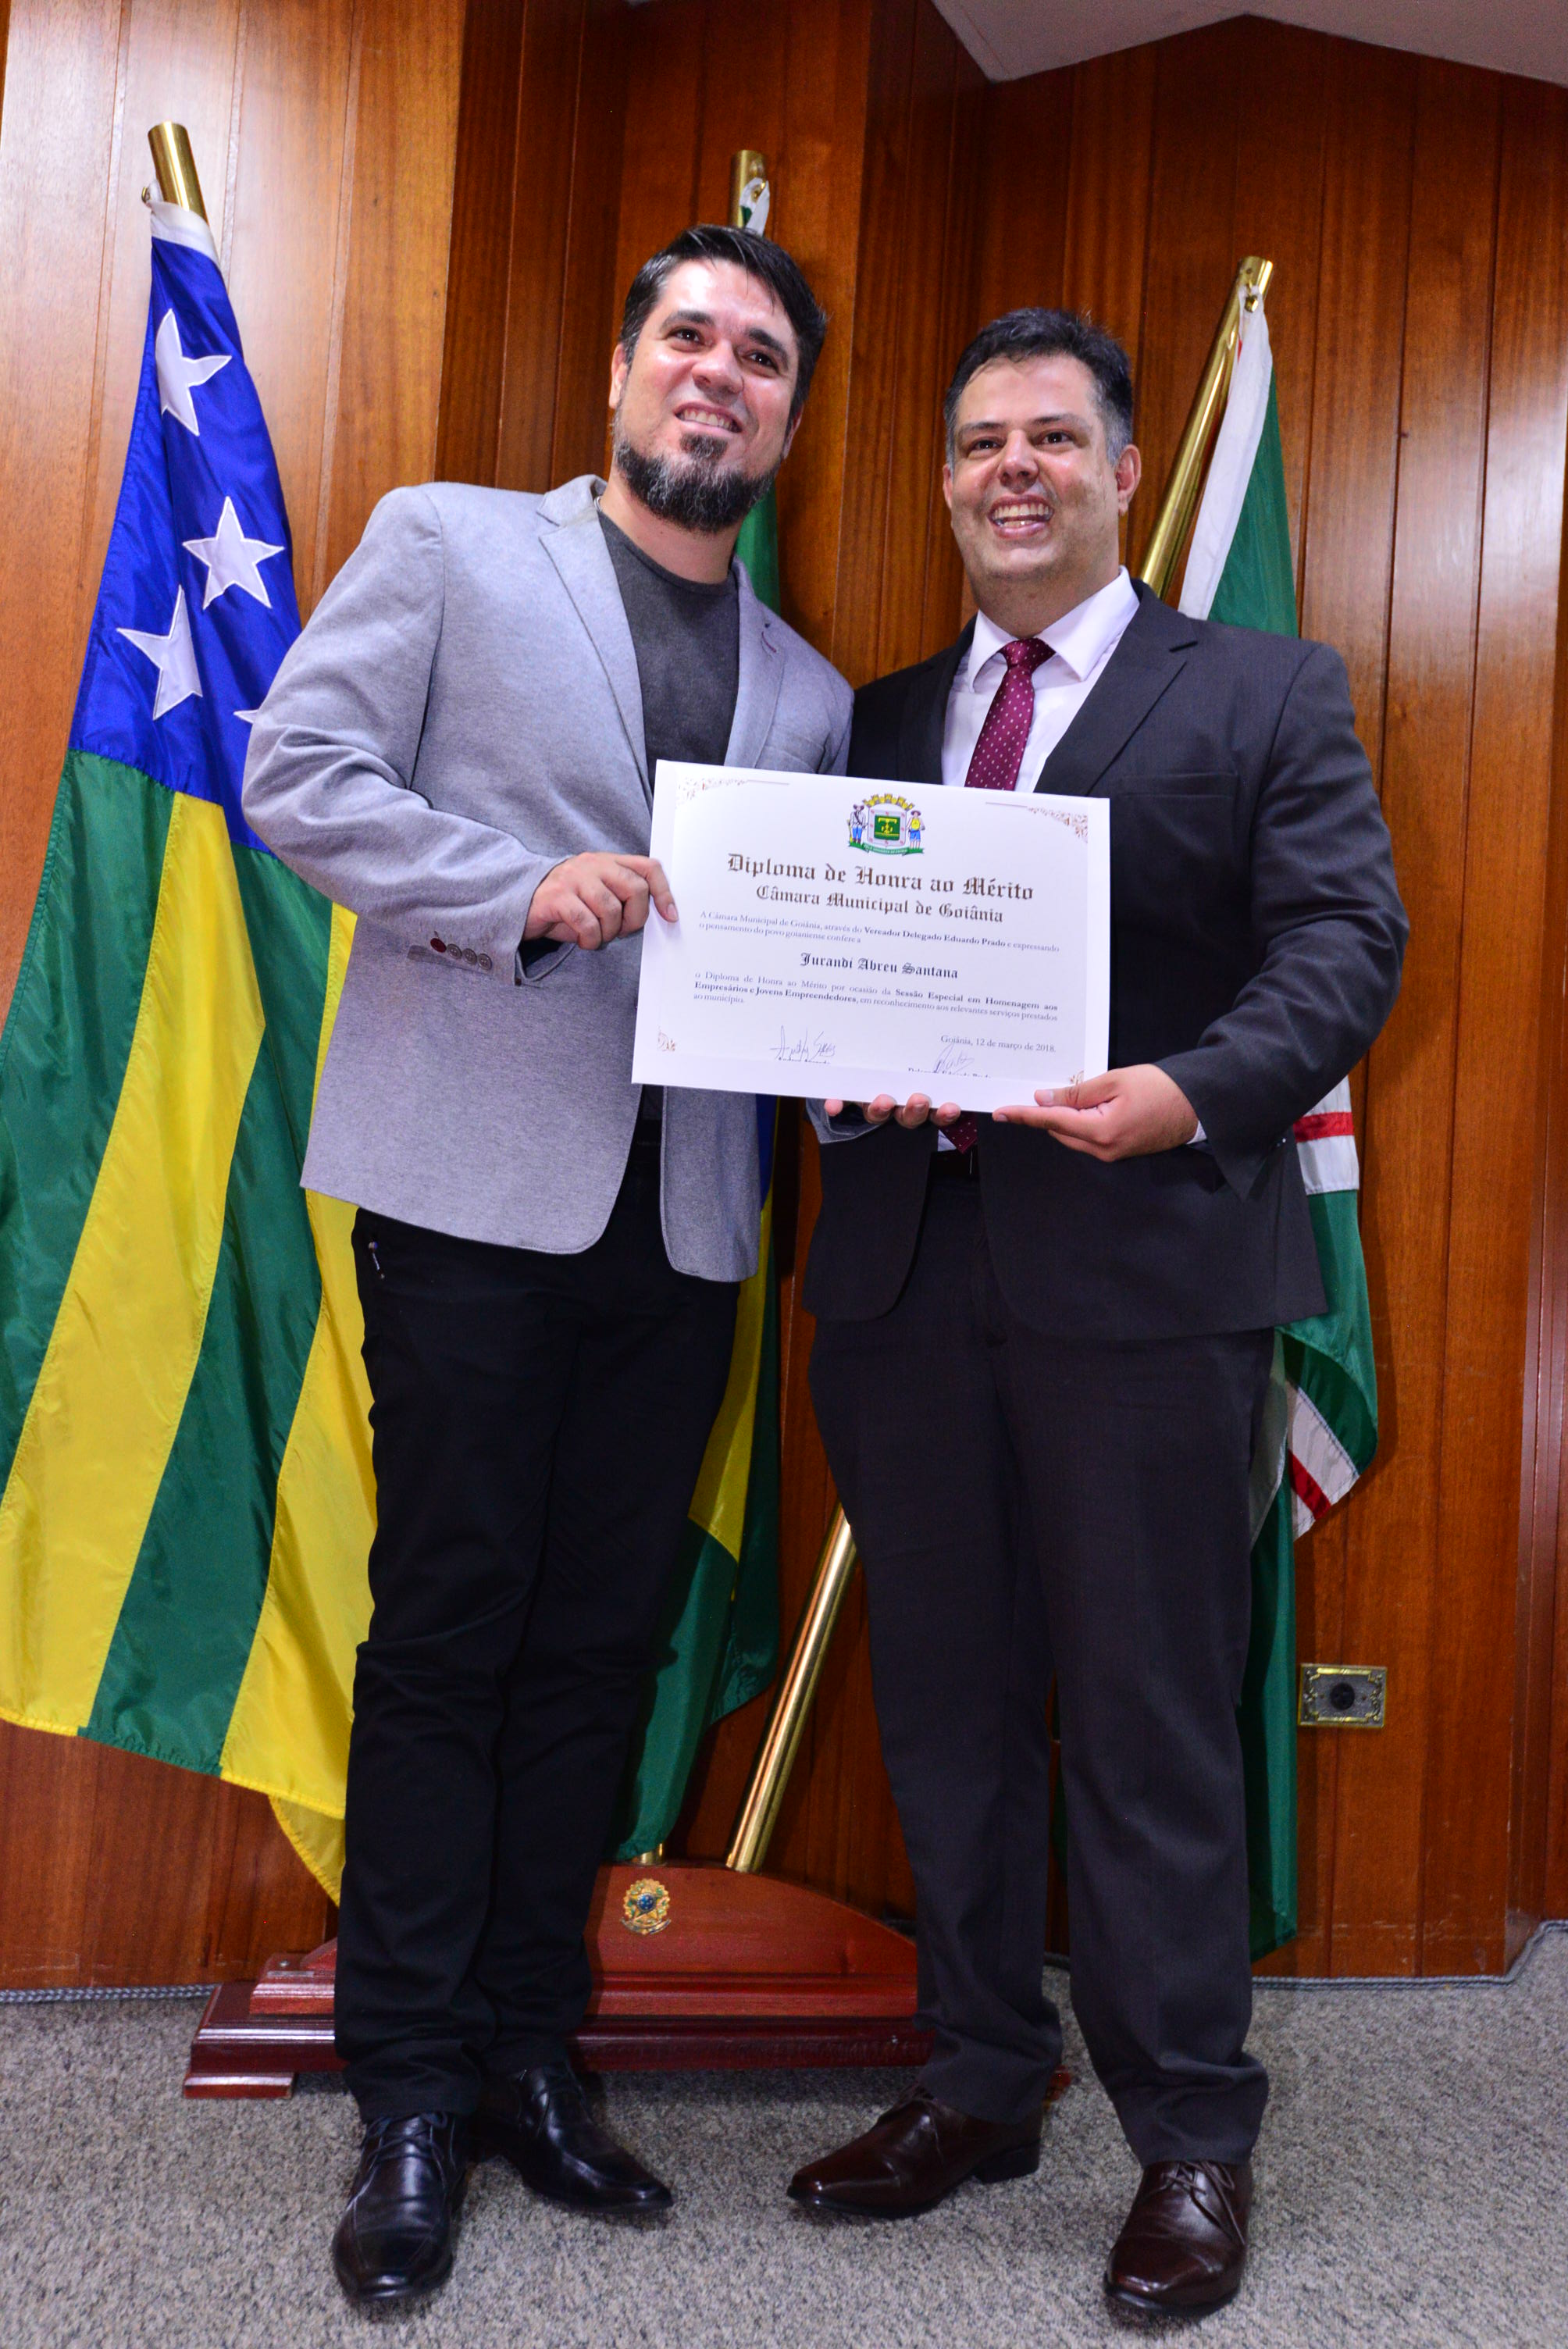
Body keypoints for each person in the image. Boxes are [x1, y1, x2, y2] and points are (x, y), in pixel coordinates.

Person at [243, 224, 850, 2309]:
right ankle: (405, 2087)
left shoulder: (808, 689)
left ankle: (523, 2052)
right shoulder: (446, 544)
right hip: (471, 1199)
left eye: (760, 358)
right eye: (689, 335)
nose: (718, 373)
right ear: (619, 368)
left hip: (686, 1229)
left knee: (595, 1652)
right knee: (448, 1633)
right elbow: (296, 776)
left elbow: (798, 969)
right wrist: (518, 888)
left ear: (787, 418)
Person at [788, 308, 1406, 2318]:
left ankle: (1189, 2135)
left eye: (1052, 437)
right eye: (980, 441)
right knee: (946, 1710)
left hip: (1146, 1282)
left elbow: (1344, 941)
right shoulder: (876, 719)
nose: (1014, 470)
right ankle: (981, 2076)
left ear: (1124, 470)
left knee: (1145, 1720)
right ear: (944, 479)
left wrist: (1187, 1093)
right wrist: (833, 1077)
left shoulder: (1259, 688)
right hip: (903, 1282)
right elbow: (823, 974)